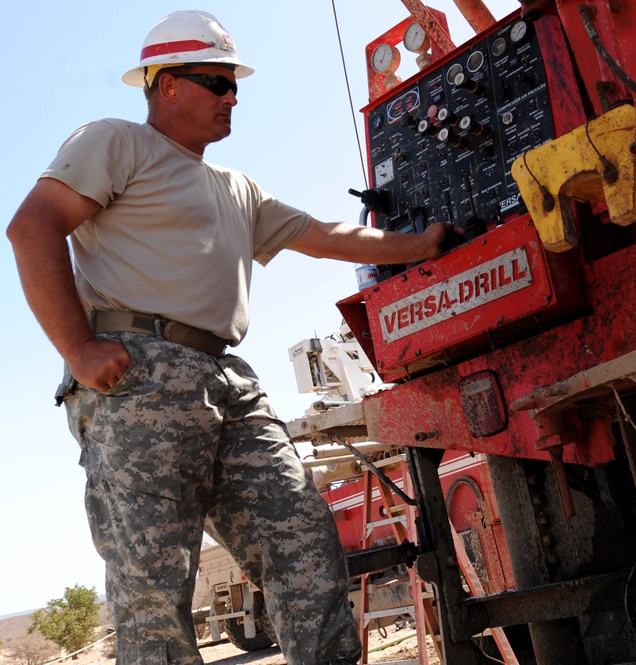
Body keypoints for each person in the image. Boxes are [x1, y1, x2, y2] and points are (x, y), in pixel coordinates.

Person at [6, 10, 453, 665]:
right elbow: (32, 226)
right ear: (167, 86)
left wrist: (423, 242)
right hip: (140, 377)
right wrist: (78, 349)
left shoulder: (236, 188)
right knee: (153, 598)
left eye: (235, 84)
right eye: (217, 82)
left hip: (228, 381)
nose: (233, 97)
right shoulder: (116, 143)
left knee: (304, 545)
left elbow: (328, 237)